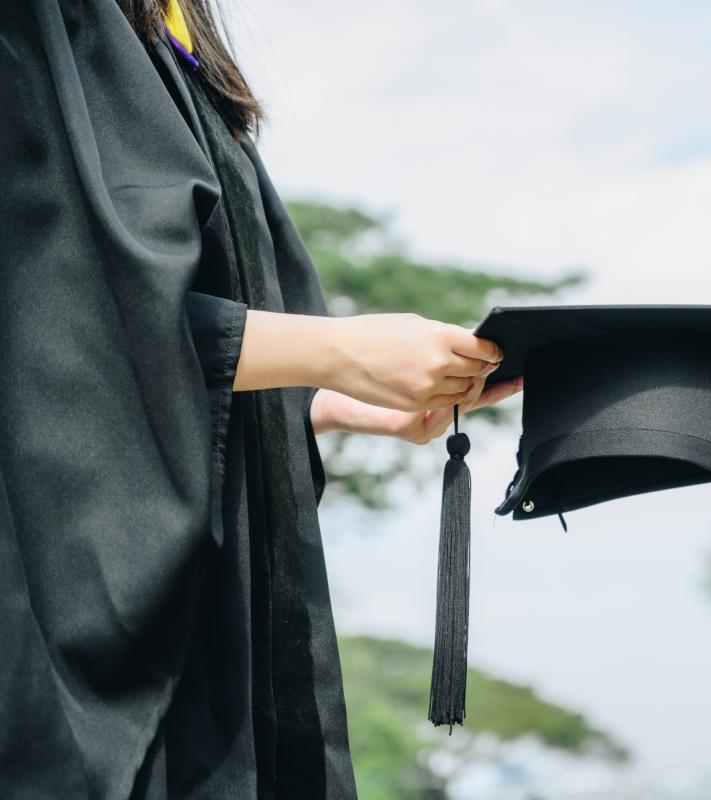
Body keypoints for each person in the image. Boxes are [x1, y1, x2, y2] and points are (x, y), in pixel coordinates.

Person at [0, 0, 522, 796]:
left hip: (233, 621)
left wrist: (320, 401)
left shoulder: (174, 39)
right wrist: (339, 351)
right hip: (77, 664)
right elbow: (59, 319)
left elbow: (177, 349)